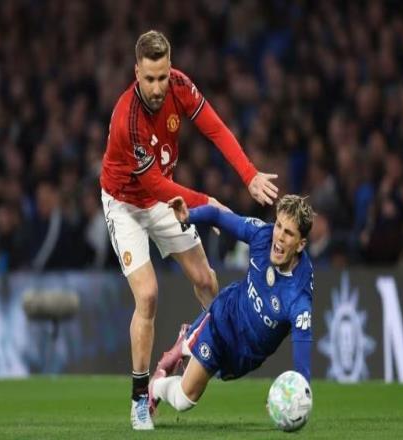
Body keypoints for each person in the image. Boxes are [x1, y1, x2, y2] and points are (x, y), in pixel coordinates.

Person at [99, 30, 279, 430]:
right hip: (126, 204)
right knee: (148, 295)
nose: (157, 87)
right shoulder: (127, 120)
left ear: (170, 69)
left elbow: (216, 129)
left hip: (165, 197)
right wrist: (206, 203)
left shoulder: (180, 86)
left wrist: (249, 175)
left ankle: (197, 343)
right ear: (136, 73)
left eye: (162, 77)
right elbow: (152, 185)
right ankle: (140, 398)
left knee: (207, 282)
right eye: (150, 79)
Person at [148, 194, 314, 420]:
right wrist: (189, 215)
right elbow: (217, 216)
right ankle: (156, 385)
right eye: (278, 226)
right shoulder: (262, 235)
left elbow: (302, 362)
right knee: (184, 400)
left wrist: (292, 398)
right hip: (223, 318)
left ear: (301, 244)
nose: (279, 237)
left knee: (185, 396)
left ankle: (184, 344)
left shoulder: (298, 297)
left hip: (244, 356)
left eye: (289, 233)